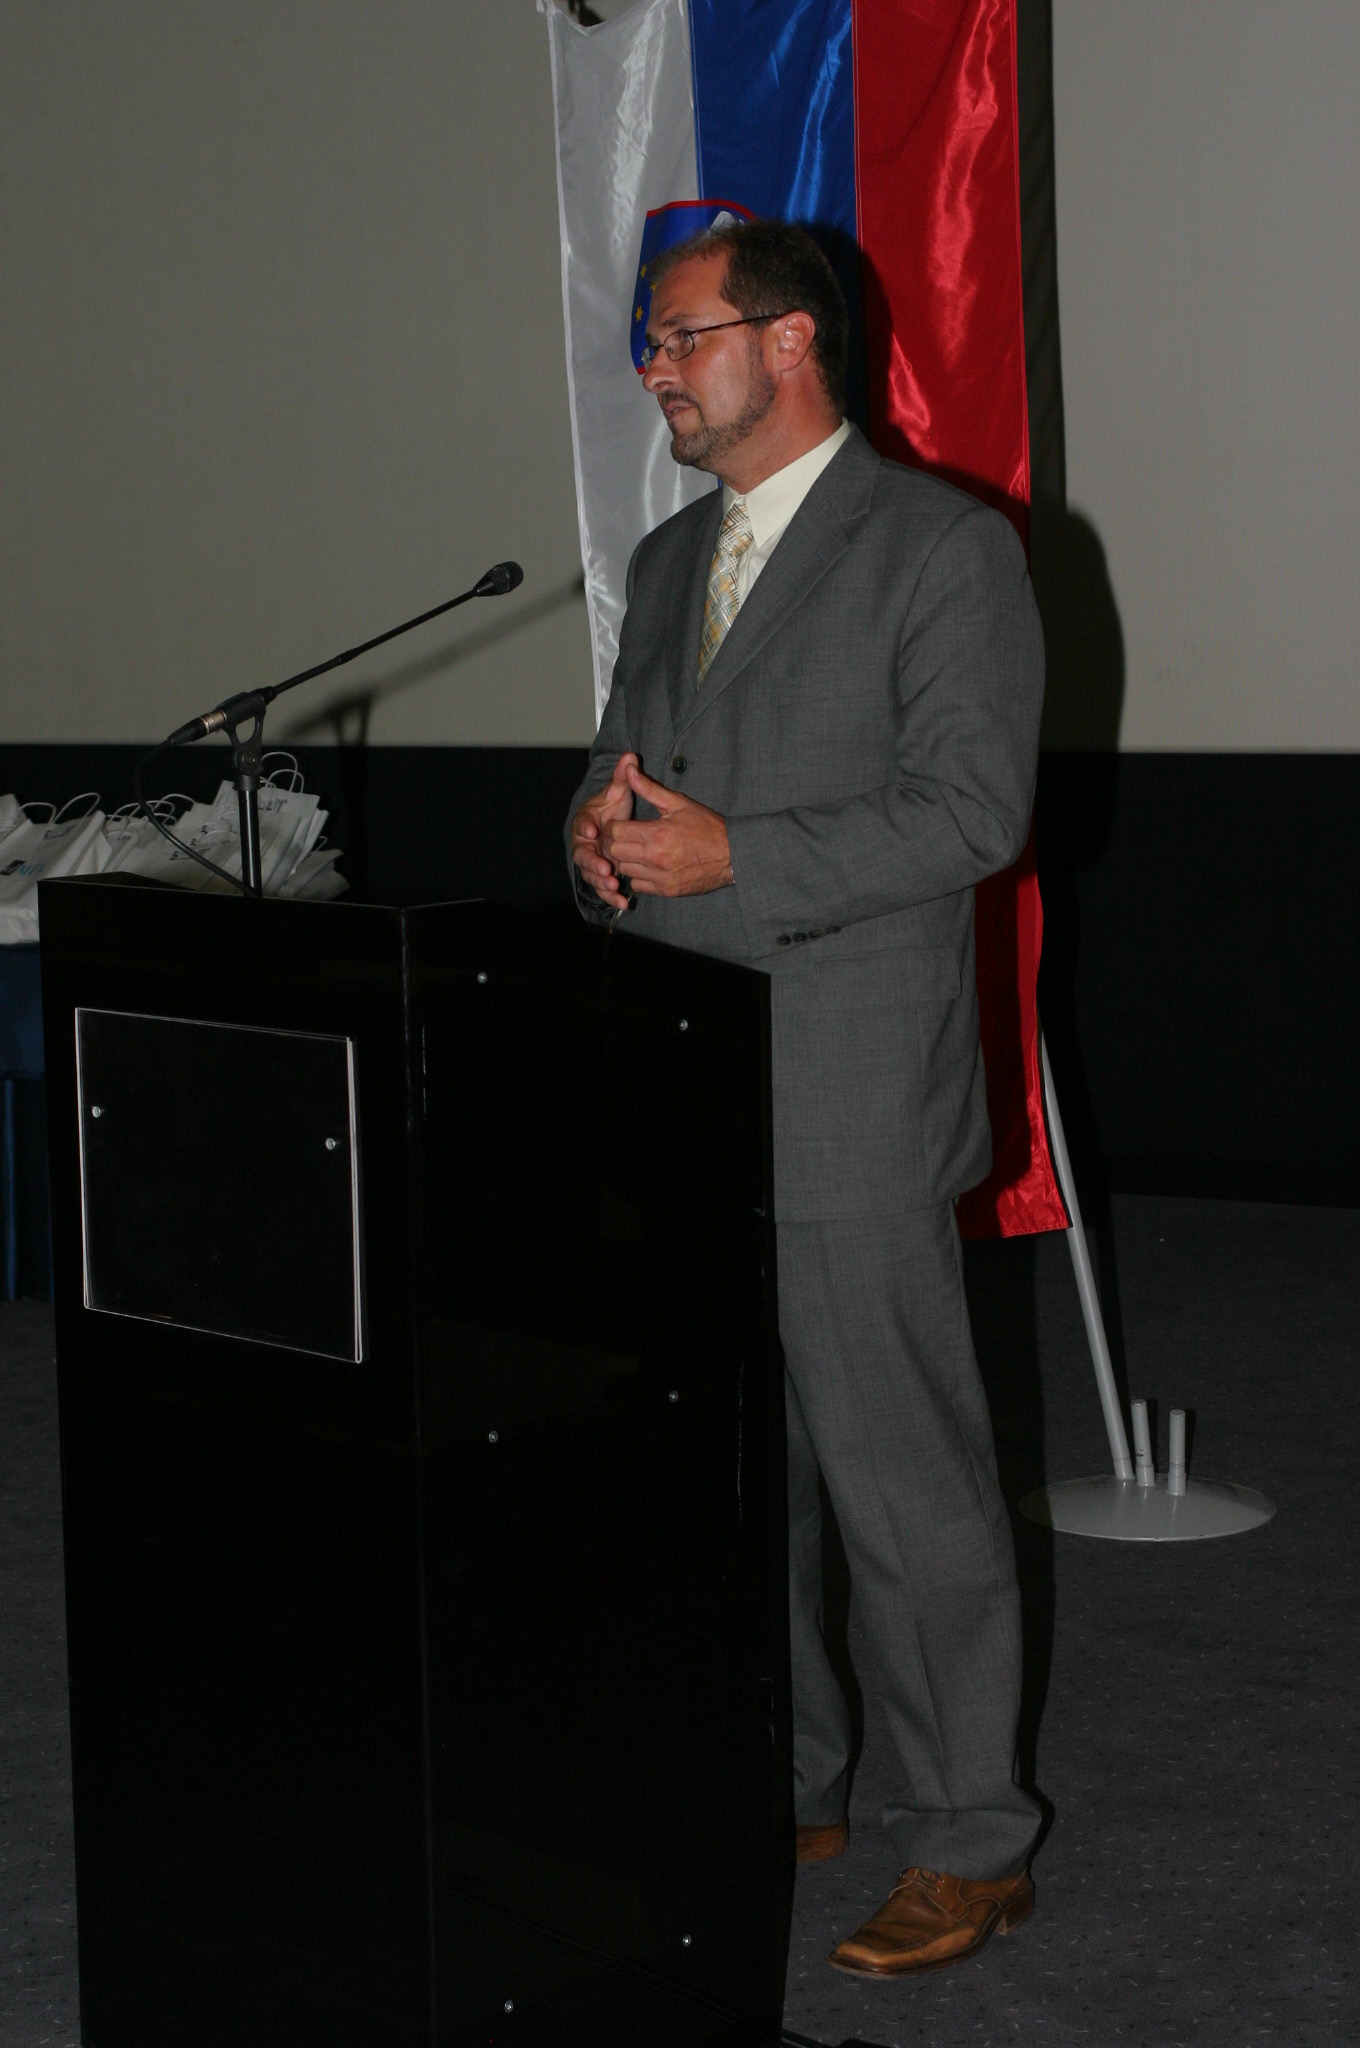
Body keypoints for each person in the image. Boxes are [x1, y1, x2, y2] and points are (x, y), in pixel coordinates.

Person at [566, 218, 1044, 1978]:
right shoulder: (670, 553)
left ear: (790, 342)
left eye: (681, 336)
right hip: (689, 1080)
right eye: (652, 341)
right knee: (738, 1478)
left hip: (847, 1086)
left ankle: (973, 1839)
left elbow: (973, 810)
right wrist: (595, 838)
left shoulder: (941, 548)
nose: (655, 369)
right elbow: (626, 765)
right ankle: (793, 1776)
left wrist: (735, 859)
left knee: (902, 1486)